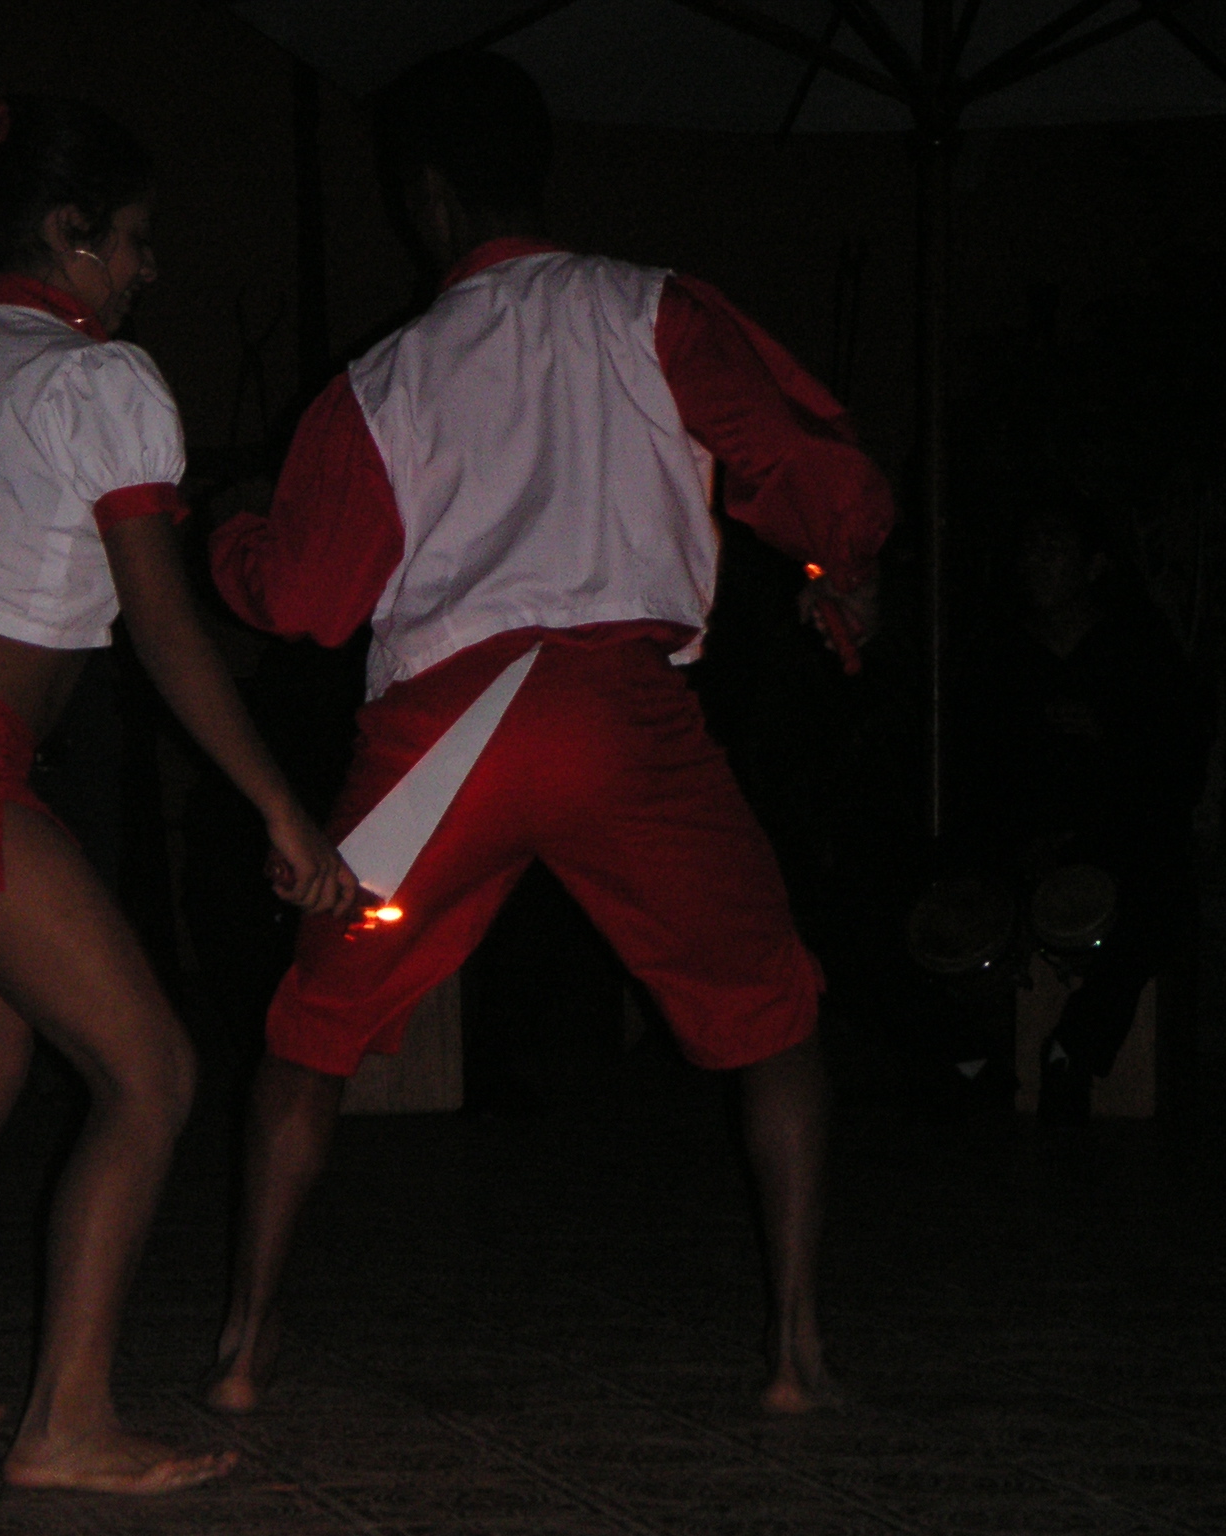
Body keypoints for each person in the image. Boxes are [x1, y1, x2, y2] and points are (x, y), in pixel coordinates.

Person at [204, 51, 893, 1417]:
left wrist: (224, 533)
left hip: (442, 743)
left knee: (314, 1031)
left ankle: (240, 1346)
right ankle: (798, 1351)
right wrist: (840, 560)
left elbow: (303, 597)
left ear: (429, 202)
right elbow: (807, 466)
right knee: (775, 1010)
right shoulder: (653, 308)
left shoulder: (382, 378)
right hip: (624, 721)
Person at [0, 93, 354, 1493]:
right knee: (149, 1071)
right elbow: (158, 630)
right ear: (68, 232)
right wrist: (282, 806)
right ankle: (66, 1423)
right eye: (134, 241)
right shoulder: (104, 382)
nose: (148, 270)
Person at [957, 493, 1210, 1122]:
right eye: (1029, 549)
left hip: (1116, 837)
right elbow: (973, 764)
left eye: (1055, 548)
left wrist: (1110, 736)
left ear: (1093, 566)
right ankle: (974, 1064)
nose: (1037, 564)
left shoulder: (1139, 648)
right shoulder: (998, 651)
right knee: (937, 897)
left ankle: (1075, 1050)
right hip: (1016, 837)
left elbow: (1176, 762)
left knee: (1162, 900)